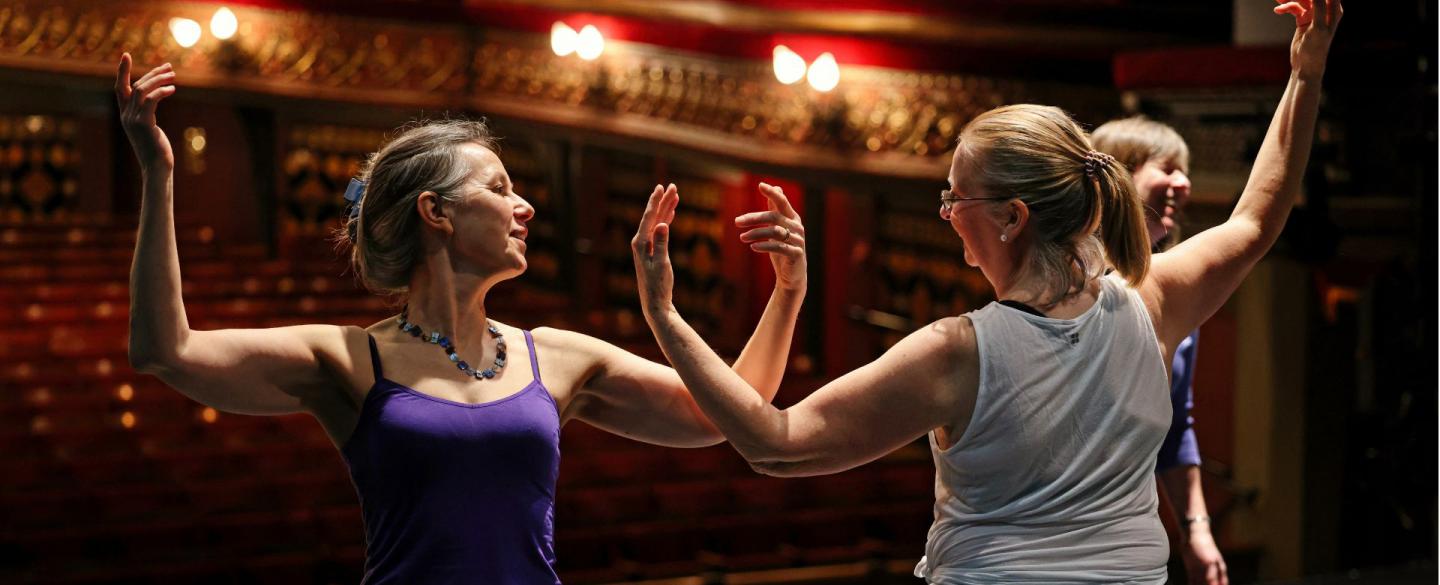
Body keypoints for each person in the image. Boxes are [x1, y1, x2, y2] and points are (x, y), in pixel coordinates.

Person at [630, 1, 1340, 583]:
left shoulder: (957, 352)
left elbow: (776, 444)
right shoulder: (1150, 300)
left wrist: (664, 314)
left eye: (955, 196)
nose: (945, 213)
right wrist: (1305, 75)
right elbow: (1258, 216)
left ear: (1010, 216)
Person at [116, 53, 809, 583]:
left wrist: (784, 294)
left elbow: (728, 414)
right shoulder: (350, 359)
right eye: (500, 188)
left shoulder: (558, 357)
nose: (525, 207)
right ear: (436, 211)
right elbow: (164, 350)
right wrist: (160, 173)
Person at [1092, 116, 1226, 584]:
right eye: (1167, 168)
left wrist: (1196, 531)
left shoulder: (1177, 300)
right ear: (1119, 176)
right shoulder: (1068, 283)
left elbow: (1175, 429)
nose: (1183, 183)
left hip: (1128, 538)